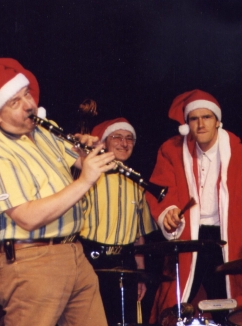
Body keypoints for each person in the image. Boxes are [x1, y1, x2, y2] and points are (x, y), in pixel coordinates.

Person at [0, 58, 115, 326]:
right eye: (15, 102)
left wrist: (88, 152)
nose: (29, 105)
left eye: (26, 95)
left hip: (73, 254)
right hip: (30, 262)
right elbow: (27, 217)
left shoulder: (43, 131)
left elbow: (79, 161)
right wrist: (84, 181)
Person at [145, 89, 242, 324]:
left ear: (218, 121)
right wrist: (168, 212)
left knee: (238, 312)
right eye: (194, 118)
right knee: (172, 309)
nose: (200, 124)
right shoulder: (171, 151)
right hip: (188, 239)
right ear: (187, 123)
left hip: (229, 241)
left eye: (207, 117)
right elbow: (161, 190)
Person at [80, 117, 159, 325]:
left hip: (125, 262)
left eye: (129, 138)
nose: (124, 143)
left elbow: (138, 232)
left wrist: (140, 272)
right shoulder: (88, 176)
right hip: (91, 261)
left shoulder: (137, 182)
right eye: (117, 137)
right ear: (104, 142)